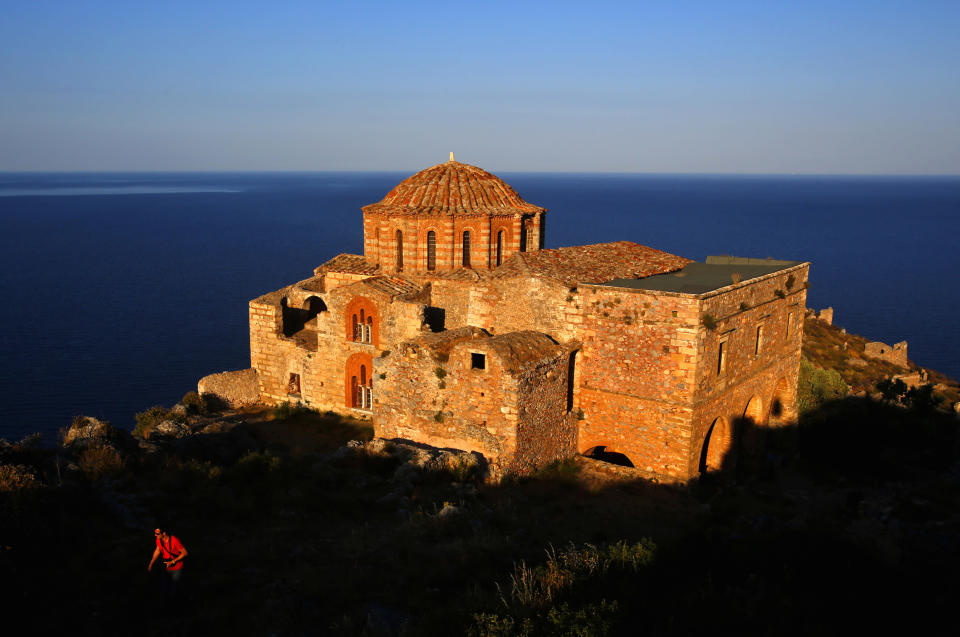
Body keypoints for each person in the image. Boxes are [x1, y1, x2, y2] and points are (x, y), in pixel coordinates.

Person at [148, 527, 188, 600]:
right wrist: (151, 563)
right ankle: (165, 603)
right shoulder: (159, 539)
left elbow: (185, 553)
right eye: (155, 533)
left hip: (177, 568)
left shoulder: (174, 540)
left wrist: (173, 561)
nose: (155, 535)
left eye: (157, 534)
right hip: (166, 567)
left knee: (173, 588)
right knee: (164, 587)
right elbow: (157, 550)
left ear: (164, 533)